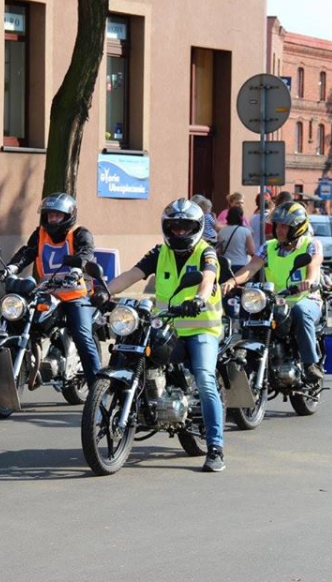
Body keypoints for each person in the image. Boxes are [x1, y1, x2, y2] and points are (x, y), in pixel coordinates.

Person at [93, 198, 226, 472]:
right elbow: (131, 275)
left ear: (196, 228)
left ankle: (215, 447)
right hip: (167, 325)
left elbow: (208, 278)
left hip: (202, 328)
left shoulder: (206, 252)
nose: (179, 232)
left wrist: (199, 299)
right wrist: (105, 291)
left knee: (204, 378)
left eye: (185, 227)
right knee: (134, 352)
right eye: (174, 227)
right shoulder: (160, 252)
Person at [6, 193, 102, 391]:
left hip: (75, 295)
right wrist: (12, 267)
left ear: (68, 215)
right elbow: (27, 252)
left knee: (83, 336)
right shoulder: (40, 233)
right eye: (50, 215)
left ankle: (97, 388)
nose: (52, 219)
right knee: (19, 320)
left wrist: (77, 269)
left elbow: (86, 252)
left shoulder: (80, 233)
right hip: (48, 293)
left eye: (57, 215)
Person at [222, 201, 325, 386]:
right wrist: (232, 281)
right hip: (276, 301)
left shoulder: (311, 244)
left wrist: (309, 280)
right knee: (252, 313)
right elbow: (251, 267)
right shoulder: (268, 246)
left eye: (285, 226)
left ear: (298, 228)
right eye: (277, 225)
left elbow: (314, 263)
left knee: (300, 312)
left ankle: (310, 363)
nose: (279, 230)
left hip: (305, 298)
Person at [217, 206, 255, 275]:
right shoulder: (246, 231)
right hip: (241, 265)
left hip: (225, 265)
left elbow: (220, 251)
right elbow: (251, 251)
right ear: (241, 217)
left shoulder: (222, 231)